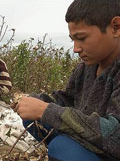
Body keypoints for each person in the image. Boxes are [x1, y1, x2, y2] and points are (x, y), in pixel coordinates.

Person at [13, 0, 120, 161]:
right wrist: (37, 101)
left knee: (62, 147)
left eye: (82, 38)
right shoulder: (85, 68)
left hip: (112, 149)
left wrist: (45, 110)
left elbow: (114, 134)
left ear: (115, 27)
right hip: (88, 139)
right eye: (73, 40)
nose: (76, 48)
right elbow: (67, 100)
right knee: (31, 116)